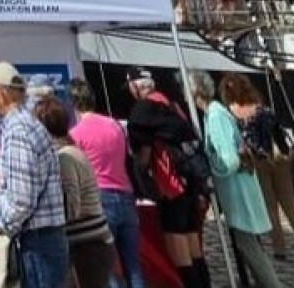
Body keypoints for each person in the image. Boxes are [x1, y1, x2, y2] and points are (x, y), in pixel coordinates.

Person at [188, 71, 282, 288]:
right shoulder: (216, 112)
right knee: (251, 246)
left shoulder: (215, 116)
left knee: (249, 247)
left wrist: (211, 169)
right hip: (240, 191)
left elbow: (229, 161)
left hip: (238, 193)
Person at [0, 62, 69, 288]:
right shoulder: (26, 124)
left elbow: (22, 200)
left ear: (2, 91)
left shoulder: (19, 130)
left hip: (37, 240)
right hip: (43, 237)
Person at [125, 68, 208, 288]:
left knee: (179, 248)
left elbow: (143, 153)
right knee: (193, 247)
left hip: (170, 185)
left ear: (135, 86)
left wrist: (141, 177)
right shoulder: (172, 105)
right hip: (190, 182)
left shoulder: (143, 110)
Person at [68, 78, 144, 288]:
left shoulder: (75, 135)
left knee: (106, 268)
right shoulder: (115, 125)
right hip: (125, 195)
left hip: (100, 198)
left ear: (73, 104)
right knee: (133, 266)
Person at [34, 96, 116, 288]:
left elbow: (71, 206)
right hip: (91, 244)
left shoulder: (64, 158)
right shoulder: (71, 151)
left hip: (87, 246)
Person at [220, 72, 294, 260]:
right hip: (279, 160)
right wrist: (284, 151)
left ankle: (280, 249)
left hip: (259, 162)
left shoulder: (232, 114)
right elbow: (278, 133)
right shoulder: (262, 109)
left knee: (270, 207)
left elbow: (246, 142)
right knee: (289, 202)